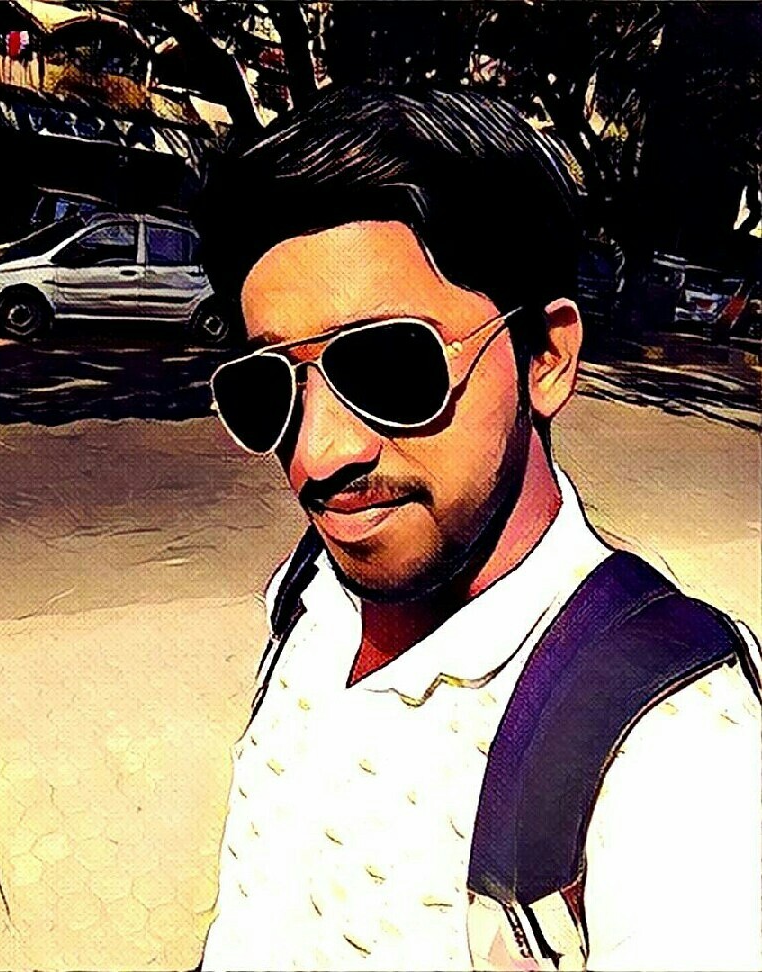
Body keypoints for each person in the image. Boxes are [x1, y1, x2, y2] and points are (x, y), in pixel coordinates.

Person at [191, 86, 762, 972]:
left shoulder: (676, 750)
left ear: (546, 358)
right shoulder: (311, 593)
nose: (317, 453)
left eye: (390, 363)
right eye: (270, 387)